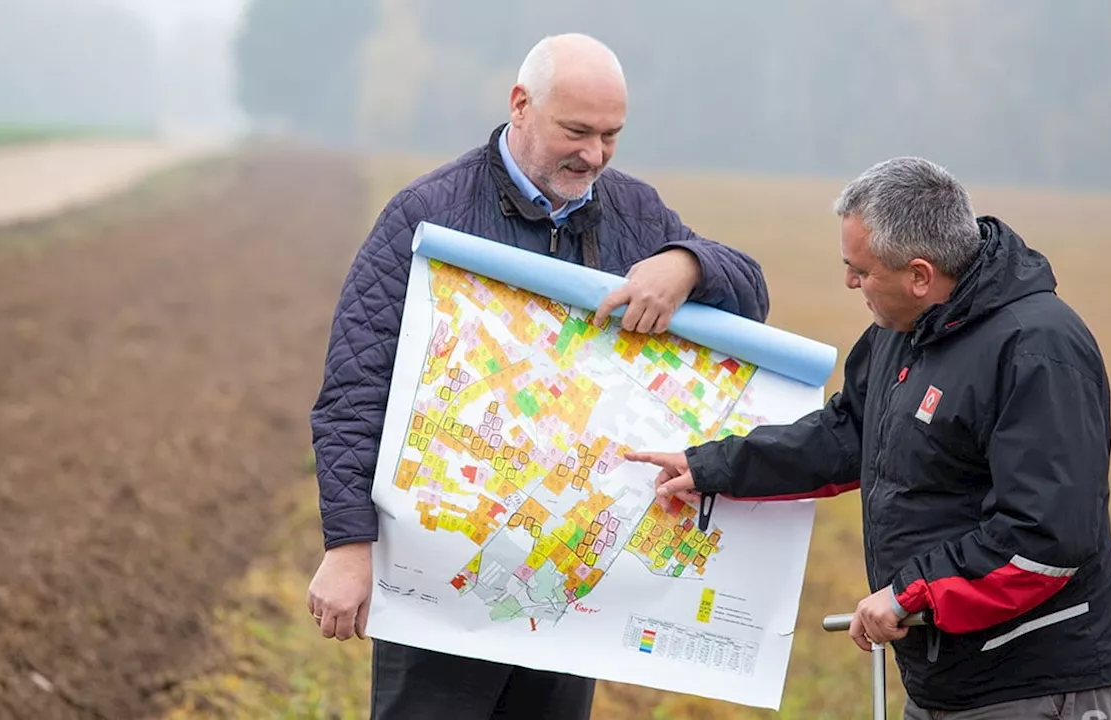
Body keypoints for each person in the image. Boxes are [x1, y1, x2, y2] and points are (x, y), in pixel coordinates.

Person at [305, 33, 770, 720]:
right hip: (439, 569)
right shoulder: (426, 214)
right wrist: (348, 545)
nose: (595, 155)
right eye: (576, 131)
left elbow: (751, 296)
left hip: (567, 587)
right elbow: (355, 387)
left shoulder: (635, 214)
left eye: (611, 136)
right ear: (520, 105)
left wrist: (688, 263)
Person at [626, 157, 1111, 717]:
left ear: (920, 274)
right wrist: (713, 467)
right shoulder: (902, 332)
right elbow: (847, 436)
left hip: (1030, 682)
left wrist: (910, 593)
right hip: (942, 676)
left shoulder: (1038, 351)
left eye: (861, 271)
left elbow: (1044, 539)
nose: (849, 282)